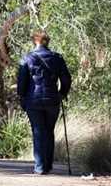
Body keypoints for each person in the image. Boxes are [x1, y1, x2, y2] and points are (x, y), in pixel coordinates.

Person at [17, 30, 72, 175]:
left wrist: (22, 97)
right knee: (49, 130)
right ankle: (47, 165)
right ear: (47, 41)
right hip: (52, 99)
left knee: (38, 130)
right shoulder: (57, 58)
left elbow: (22, 81)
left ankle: (40, 167)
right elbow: (66, 78)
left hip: (33, 100)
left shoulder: (27, 58)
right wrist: (62, 93)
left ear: (35, 41)